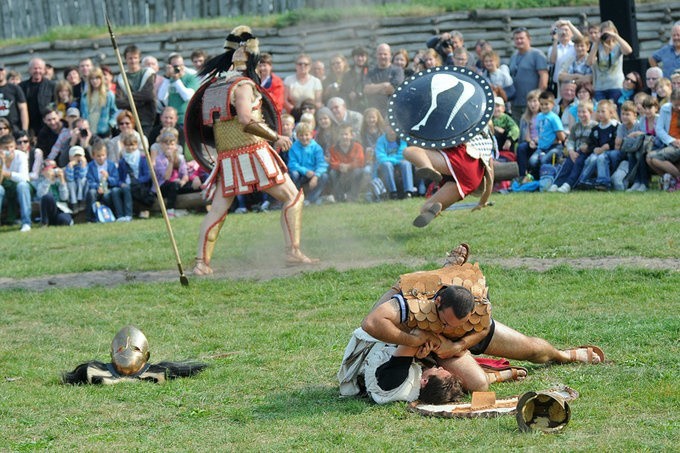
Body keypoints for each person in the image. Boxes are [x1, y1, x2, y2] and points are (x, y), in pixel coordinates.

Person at [357, 244, 604, 395]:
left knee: (531, 349)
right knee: (478, 384)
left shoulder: (475, 302)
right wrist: (412, 338)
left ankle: (562, 355)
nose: (446, 326)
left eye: (453, 323)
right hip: (419, 337)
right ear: (438, 303)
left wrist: (458, 345)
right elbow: (370, 323)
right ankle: (443, 272)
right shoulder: (415, 302)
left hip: (455, 343)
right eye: (444, 320)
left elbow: (483, 327)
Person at [186, 25, 318, 275]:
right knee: (293, 197)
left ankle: (201, 263)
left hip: (227, 158)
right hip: (253, 152)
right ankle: (292, 252)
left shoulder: (216, 86)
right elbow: (246, 119)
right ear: (252, 62)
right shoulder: (244, 85)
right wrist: (276, 136)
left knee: (218, 210)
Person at [549, 100, 596, 193]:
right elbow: (570, 140)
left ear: (590, 112)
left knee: (578, 163)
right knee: (567, 164)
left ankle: (568, 184)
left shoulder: (594, 126)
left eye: (584, 112)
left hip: (586, 153)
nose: (581, 114)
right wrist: (571, 151)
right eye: (579, 112)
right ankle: (556, 183)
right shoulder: (576, 126)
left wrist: (587, 147)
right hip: (575, 151)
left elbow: (595, 141)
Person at [508, 28, 549, 124]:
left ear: (529, 39)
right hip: (516, 102)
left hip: (532, 103)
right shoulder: (514, 56)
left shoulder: (537, 55)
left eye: (522, 38)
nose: (519, 41)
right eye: (516, 39)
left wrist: (538, 98)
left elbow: (544, 76)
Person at [115, 45, 157, 137]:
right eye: (130, 58)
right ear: (125, 59)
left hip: (146, 119)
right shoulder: (121, 78)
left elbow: (148, 95)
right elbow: (119, 102)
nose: (133, 61)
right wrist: (141, 100)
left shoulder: (148, 74)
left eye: (135, 58)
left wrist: (128, 99)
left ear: (139, 59)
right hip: (129, 121)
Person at [586, 21, 633, 102]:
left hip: (616, 85)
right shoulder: (597, 45)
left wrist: (616, 36)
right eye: (605, 33)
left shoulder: (618, 45)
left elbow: (628, 51)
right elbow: (589, 62)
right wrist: (597, 42)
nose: (608, 36)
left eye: (609, 33)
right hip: (600, 87)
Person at [577, 99, 619, 190]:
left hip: (611, 153)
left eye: (603, 112)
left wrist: (607, 146)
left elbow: (616, 140)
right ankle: (582, 181)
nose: (600, 114)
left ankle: (603, 183)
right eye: (598, 111)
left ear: (611, 113)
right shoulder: (595, 128)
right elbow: (591, 142)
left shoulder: (615, 126)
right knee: (592, 158)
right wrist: (594, 148)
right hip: (598, 152)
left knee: (601, 157)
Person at [287, 122, 329, 205]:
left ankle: (310, 199)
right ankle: (295, 197)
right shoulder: (293, 147)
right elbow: (292, 163)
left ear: (311, 135)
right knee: (293, 174)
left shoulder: (317, 148)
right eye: (301, 135)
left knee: (324, 176)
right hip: (300, 174)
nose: (304, 138)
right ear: (297, 136)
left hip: (313, 174)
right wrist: (305, 171)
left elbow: (322, 164)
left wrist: (316, 176)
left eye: (306, 135)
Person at [528, 90, 566, 178]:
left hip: (554, 147)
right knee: (532, 161)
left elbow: (561, 135)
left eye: (546, 104)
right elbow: (541, 133)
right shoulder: (539, 116)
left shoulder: (554, 118)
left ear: (552, 104)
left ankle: (546, 179)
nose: (544, 106)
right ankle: (536, 179)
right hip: (541, 148)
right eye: (541, 104)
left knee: (544, 160)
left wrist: (558, 141)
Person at [648, 88, 680, 191]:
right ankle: (670, 180)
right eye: (676, 105)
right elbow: (659, 129)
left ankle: (677, 179)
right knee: (649, 158)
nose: (678, 108)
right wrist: (671, 140)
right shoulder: (665, 109)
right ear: (671, 101)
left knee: (656, 158)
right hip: (670, 143)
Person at [85, 140, 125, 222]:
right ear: (93, 156)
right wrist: (97, 187)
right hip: (97, 190)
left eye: (103, 155)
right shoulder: (90, 166)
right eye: (98, 156)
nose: (101, 158)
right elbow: (89, 181)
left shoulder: (111, 165)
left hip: (108, 189)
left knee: (110, 194)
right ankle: (90, 218)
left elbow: (116, 180)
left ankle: (116, 215)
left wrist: (108, 177)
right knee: (91, 193)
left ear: (106, 155)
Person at [327, 123, 369, 202]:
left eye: (346, 134)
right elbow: (332, 162)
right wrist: (340, 166)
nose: (344, 137)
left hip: (353, 170)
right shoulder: (333, 148)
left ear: (351, 136)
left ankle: (352, 196)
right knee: (332, 172)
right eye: (341, 134)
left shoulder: (358, 146)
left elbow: (360, 161)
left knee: (358, 171)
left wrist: (348, 166)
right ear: (338, 136)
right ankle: (339, 197)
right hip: (339, 170)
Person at [153, 128, 189, 218]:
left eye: (172, 144)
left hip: (177, 183)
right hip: (163, 186)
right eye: (166, 144)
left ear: (175, 145)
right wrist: (171, 162)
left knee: (191, 185)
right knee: (172, 186)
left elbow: (185, 174)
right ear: (161, 145)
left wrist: (183, 182)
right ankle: (170, 210)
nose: (169, 147)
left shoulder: (180, 158)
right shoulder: (159, 159)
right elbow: (166, 177)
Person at [117, 132, 153, 220]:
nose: (130, 147)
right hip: (128, 184)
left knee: (139, 190)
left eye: (132, 145)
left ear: (137, 145)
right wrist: (121, 183)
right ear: (124, 146)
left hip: (140, 183)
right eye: (128, 145)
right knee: (126, 190)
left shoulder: (143, 159)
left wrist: (138, 181)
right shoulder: (122, 161)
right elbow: (119, 177)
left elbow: (147, 175)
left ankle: (144, 210)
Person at [0, 134, 32, 231]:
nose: (9, 150)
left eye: (11, 147)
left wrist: (7, 173)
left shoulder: (21, 156)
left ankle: (26, 223)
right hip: (5, 189)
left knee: (22, 186)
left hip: (21, 189)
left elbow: (24, 178)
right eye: (6, 147)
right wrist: (2, 163)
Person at [363, 43, 404, 116]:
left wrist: (374, 88)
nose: (382, 56)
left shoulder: (397, 70)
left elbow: (392, 89)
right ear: (376, 55)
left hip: (392, 111)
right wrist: (385, 85)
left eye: (385, 54)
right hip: (375, 113)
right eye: (380, 54)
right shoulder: (371, 72)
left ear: (390, 55)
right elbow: (367, 90)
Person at [375, 125, 414, 200]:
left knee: (406, 163)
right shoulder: (381, 140)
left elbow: (403, 153)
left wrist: (392, 160)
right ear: (385, 128)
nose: (392, 130)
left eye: (394, 128)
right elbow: (380, 156)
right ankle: (393, 192)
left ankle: (408, 192)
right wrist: (393, 161)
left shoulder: (402, 139)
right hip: (386, 163)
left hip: (399, 161)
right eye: (389, 127)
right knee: (387, 165)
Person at [19, 57, 56, 135]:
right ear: (29, 70)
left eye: (40, 68)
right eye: (35, 68)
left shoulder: (52, 86)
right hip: (30, 126)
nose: (37, 71)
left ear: (44, 70)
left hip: (47, 126)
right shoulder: (21, 87)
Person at [163, 53, 199, 130]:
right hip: (171, 120)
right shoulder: (168, 79)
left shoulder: (191, 77)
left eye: (181, 65)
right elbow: (161, 97)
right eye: (175, 66)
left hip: (186, 118)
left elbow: (187, 97)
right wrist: (167, 78)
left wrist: (176, 79)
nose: (179, 68)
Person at [80, 67, 119, 138]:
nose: (94, 81)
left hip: (104, 130)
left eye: (97, 78)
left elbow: (114, 112)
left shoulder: (109, 94)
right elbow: (82, 112)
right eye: (92, 79)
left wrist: (110, 124)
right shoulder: (85, 95)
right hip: (89, 130)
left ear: (101, 79)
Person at [547, 19, 583, 93]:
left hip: (575, 81)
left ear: (571, 33)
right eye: (561, 30)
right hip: (558, 83)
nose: (563, 33)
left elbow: (581, 38)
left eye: (566, 30)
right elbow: (552, 61)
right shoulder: (552, 48)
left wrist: (568, 23)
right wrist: (555, 41)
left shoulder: (575, 47)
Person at [35, 159, 73, 226]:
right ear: (43, 172)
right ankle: (44, 222)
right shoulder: (41, 181)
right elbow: (41, 195)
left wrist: (62, 180)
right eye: (49, 169)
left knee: (65, 221)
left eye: (54, 168)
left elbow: (64, 198)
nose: (52, 171)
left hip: (61, 209)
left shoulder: (59, 181)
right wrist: (48, 180)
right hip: (48, 211)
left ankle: (55, 222)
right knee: (48, 197)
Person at [0, 63, 29, 133]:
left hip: (13, 129)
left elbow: (23, 109)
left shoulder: (15, 88)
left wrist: (24, 131)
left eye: (1, 70)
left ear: (5, 71)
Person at [347, 46, 370, 112]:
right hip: (353, 107)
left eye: (362, 56)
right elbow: (344, 90)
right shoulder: (348, 74)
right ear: (353, 58)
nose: (360, 59)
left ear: (366, 57)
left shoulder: (371, 72)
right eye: (357, 56)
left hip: (369, 106)